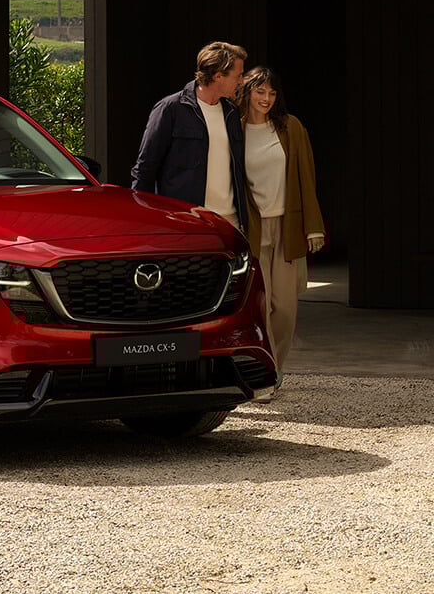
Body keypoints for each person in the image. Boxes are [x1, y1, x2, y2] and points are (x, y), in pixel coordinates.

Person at [237, 66, 325, 398]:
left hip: (288, 226)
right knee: (260, 305)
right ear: (247, 91)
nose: (266, 99)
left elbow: (307, 177)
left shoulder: (290, 127)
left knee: (284, 307)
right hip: (254, 227)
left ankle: (277, 365)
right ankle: (267, 374)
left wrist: (313, 226)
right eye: (260, 92)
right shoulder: (236, 129)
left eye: (272, 93)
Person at [131, 41, 249, 231]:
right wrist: (142, 221)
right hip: (186, 222)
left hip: (230, 223)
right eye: (239, 75)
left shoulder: (231, 112)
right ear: (218, 76)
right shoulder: (170, 109)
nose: (242, 81)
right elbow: (145, 168)